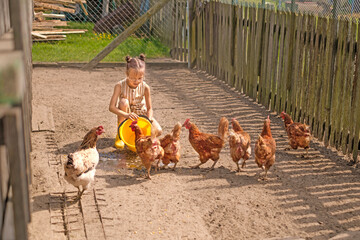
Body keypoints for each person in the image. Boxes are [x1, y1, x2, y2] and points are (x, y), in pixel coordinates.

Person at [109, 54, 162, 149]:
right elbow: (111, 107)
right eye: (133, 78)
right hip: (127, 114)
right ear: (126, 73)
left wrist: (148, 120)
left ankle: (141, 137)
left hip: (142, 114)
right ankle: (120, 134)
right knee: (123, 102)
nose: (136, 81)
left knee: (158, 130)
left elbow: (150, 108)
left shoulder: (145, 87)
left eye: (140, 78)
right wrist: (126, 115)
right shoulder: (119, 85)